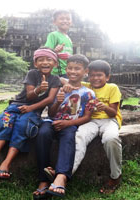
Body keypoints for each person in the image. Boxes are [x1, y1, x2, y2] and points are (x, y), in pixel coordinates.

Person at [0, 47, 61, 180]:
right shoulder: (32, 74)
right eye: (40, 60)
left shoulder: (55, 80)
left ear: (55, 63)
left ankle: (6, 163)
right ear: (35, 63)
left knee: (23, 126)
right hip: (16, 106)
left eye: (49, 59)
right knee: (3, 122)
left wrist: (31, 108)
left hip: (33, 111)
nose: (45, 62)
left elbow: (49, 99)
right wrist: (38, 90)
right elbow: (29, 95)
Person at [47, 60, 122, 195]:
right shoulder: (87, 86)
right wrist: (67, 84)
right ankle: (64, 175)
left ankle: (115, 176)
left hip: (109, 120)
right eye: (92, 75)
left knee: (111, 139)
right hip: (91, 121)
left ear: (107, 77)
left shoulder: (112, 88)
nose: (95, 79)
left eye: (99, 75)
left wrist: (104, 106)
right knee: (79, 136)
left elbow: (113, 113)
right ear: (88, 75)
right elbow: (61, 78)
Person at [33, 54, 96, 199]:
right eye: (70, 68)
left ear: (85, 71)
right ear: (66, 69)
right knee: (42, 134)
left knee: (69, 137)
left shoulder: (88, 93)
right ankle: (43, 179)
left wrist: (68, 123)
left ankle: (61, 176)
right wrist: (57, 102)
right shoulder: (58, 88)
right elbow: (51, 113)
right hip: (52, 122)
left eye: (77, 69)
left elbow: (87, 117)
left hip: (70, 125)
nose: (73, 72)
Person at [45, 9, 73, 77]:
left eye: (68, 19)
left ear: (71, 22)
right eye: (62, 19)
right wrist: (55, 51)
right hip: (56, 72)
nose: (65, 21)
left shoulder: (68, 38)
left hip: (67, 71)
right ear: (54, 22)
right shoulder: (53, 35)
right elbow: (46, 52)